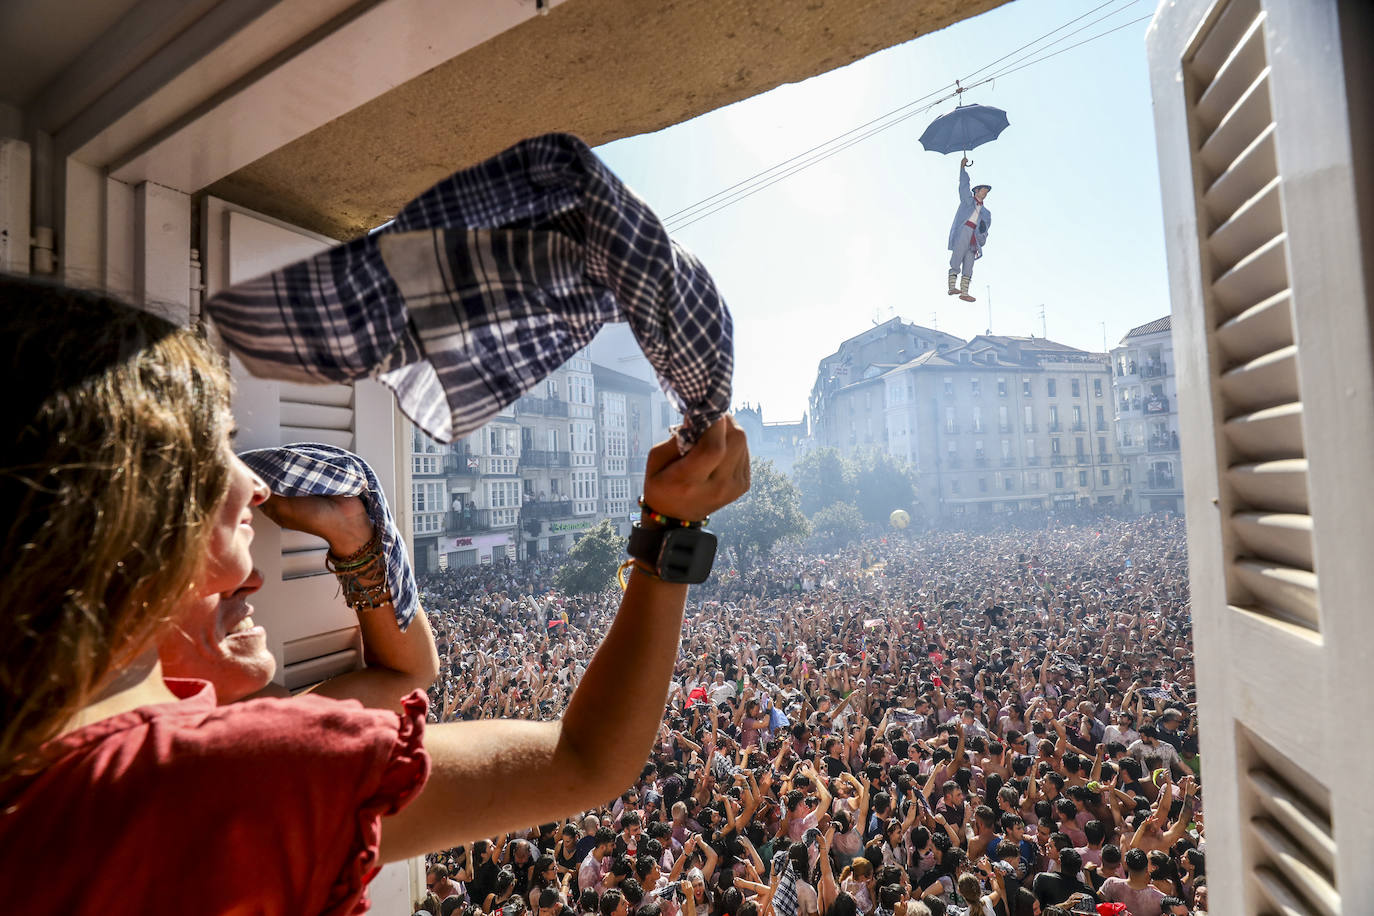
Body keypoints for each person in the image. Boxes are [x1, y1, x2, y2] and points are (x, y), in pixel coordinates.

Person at [0, 277, 751, 913]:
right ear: (128, 510)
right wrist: (669, 529)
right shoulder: (245, 777)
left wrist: (360, 546)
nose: (255, 480)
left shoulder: (55, 766)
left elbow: (402, 675)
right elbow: (586, 760)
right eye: (217, 446)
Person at [946, 157, 992, 302]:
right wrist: (962, 168)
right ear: (976, 191)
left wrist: (983, 231)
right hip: (964, 231)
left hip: (974, 237)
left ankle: (964, 292)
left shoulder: (986, 212)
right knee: (957, 257)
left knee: (969, 262)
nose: (985, 192)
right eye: (983, 189)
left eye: (986, 191)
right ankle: (952, 286)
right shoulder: (967, 201)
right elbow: (963, 186)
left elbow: (986, 228)